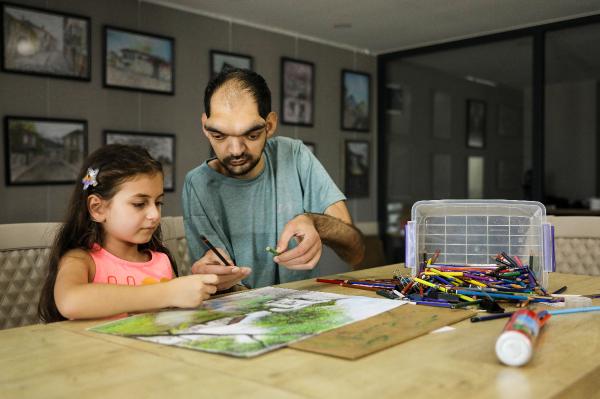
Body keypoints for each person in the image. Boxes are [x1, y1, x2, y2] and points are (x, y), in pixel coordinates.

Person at [183, 68, 365, 290]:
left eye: (251, 135)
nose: (235, 150)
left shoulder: (294, 156)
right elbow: (213, 282)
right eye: (219, 136)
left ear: (269, 125)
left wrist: (315, 223)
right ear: (205, 126)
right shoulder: (197, 185)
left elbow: (356, 251)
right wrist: (212, 274)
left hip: (301, 310)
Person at [38, 144, 219, 323]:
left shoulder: (161, 260)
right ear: (97, 208)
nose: (155, 215)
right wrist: (167, 292)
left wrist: (210, 283)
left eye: (158, 203)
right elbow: (70, 301)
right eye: (139, 204)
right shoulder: (81, 260)